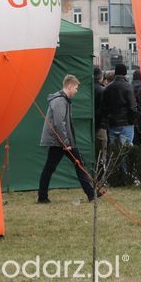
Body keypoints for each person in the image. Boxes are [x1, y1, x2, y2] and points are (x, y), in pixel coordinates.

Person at [38, 75, 95, 203]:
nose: (76, 90)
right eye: (75, 87)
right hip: (60, 142)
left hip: (64, 141)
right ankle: (42, 197)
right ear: (69, 86)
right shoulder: (59, 101)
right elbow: (59, 123)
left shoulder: (64, 100)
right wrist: (65, 143)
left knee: (77, 164)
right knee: (53, 168)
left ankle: (91, 194)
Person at [102, 63, 137, 147]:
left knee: (113, 151)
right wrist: (132, 121)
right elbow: (132, 107)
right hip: (126, 123)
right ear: (125, 73)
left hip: (112, 123)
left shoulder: (107, 88)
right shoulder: (128, 87)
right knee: (125, 150)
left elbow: (104, 106)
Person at [92, 67, 108, 160]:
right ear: (100, 77)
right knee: (102, 151)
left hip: (90, 124)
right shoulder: (102, 90)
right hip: (101, 125)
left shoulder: (87, 89)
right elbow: (103, 109)